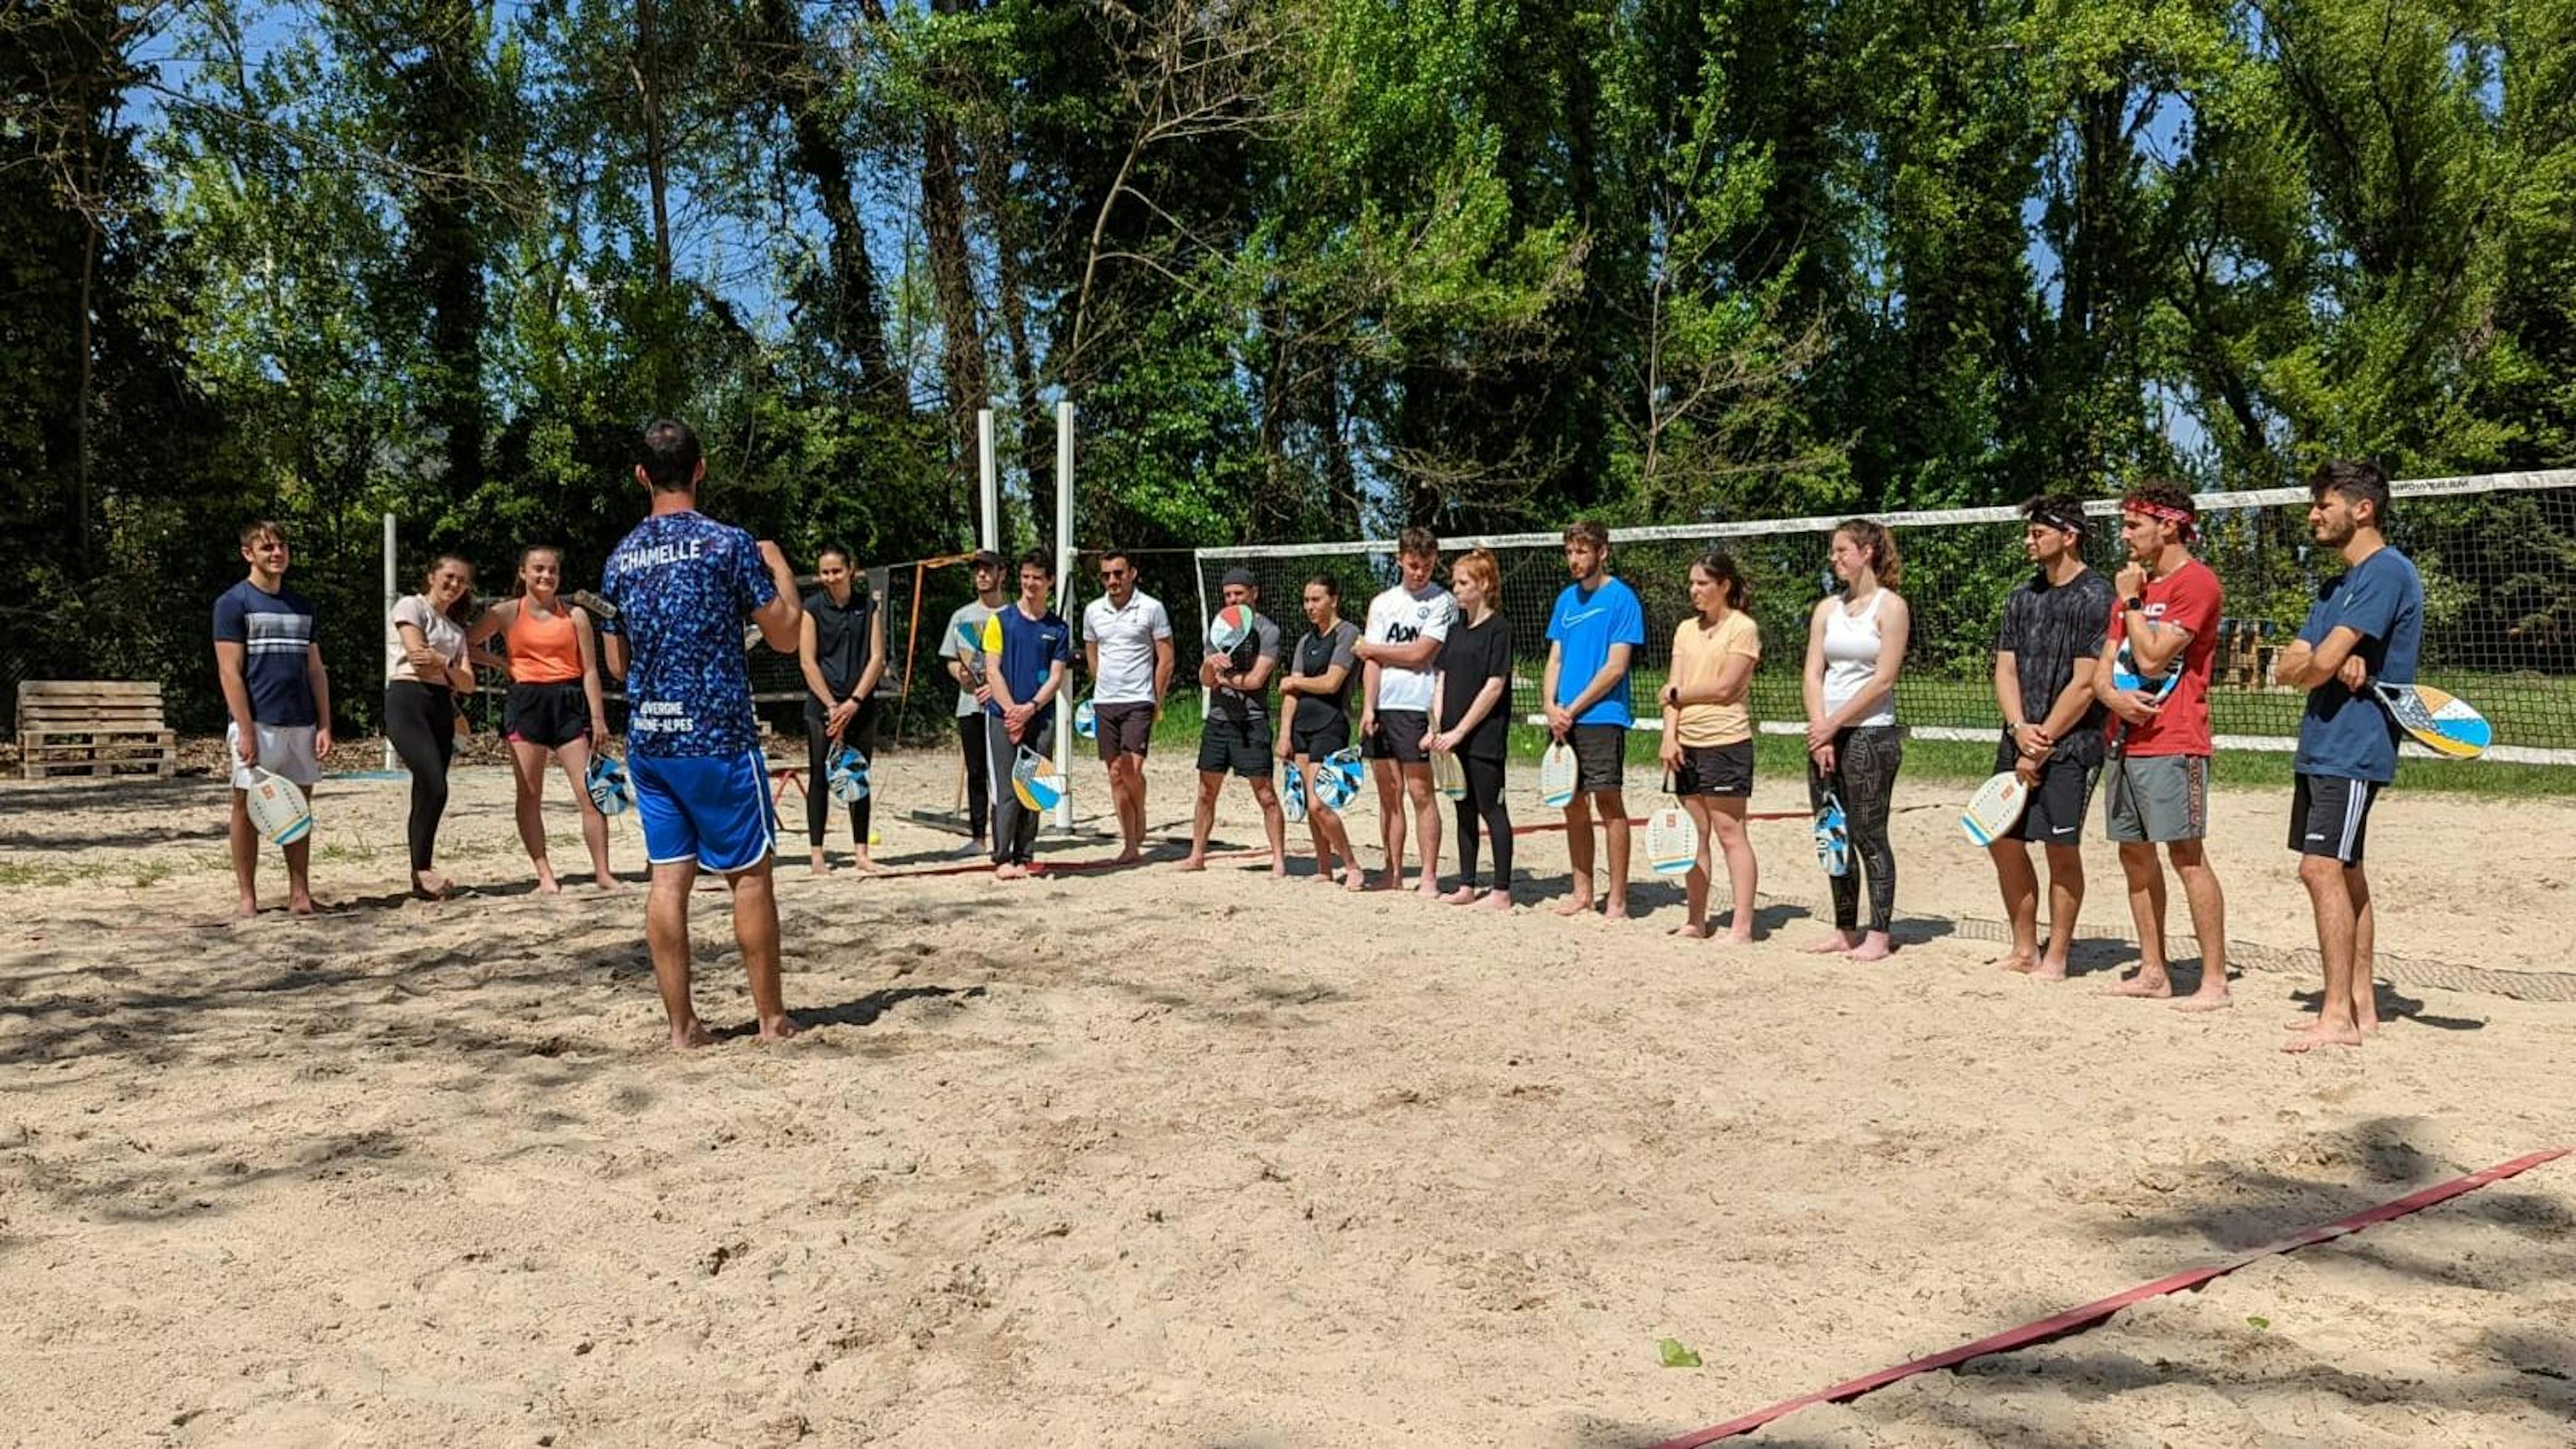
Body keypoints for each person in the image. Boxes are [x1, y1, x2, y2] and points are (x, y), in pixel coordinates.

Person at [596, 419, 804, 1049]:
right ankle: (770, 1019)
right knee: (749, 876)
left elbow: (617, 665)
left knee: (668, 879)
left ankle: (682, 1026)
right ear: (701, 468)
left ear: (641, 476)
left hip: (651, 738)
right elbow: (786, 633)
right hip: (716, 734)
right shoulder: (728, 544)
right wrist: (780, 568)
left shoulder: (620, 557)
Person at [2272, 460, 2422, 1053]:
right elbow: (2287, 669)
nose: (2314, 514)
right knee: (2346, 870)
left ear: (2363, 509)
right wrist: (2323, 665)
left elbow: (2318, 664)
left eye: (2324, 503)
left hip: (2354, 748)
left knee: (2320, 869)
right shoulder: (2336, 586)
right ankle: (2361, 1006)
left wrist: (2328, 664)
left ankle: (2335, 1016)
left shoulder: (2386, 572)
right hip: (2324, 744)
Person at [2096, 482, 2231, 1009]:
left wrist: (2132, 600)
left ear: (2169, 526)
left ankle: (2214, 981)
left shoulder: (2194, 585)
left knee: (2186, 855)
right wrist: (2112, 697)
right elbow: (2107, 665)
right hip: (2124, 740)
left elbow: (2152, 660)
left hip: (2175, 741)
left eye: (2134, 525)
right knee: (2134, 855)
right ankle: (2154, 970)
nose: (2125, 535)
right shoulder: (2134, 588)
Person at [1984, 496, 2114, 980]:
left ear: (2070, 535)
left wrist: (2043, 742)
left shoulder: (2097, 596)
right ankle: (2024, 948)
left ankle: (2058, 954)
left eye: (2038, 532)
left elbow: (2086, 682)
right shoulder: (2022, 597)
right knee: (2001, 837)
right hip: (2020, 735)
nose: (2029, 540)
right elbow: (2005, 668)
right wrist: (2020, 730)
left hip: (2073, 742)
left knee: (2061, 848)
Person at [467, 546, 616, 893]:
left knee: (593, 791)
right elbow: (466, 643)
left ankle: (604, 873)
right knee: (530, 794)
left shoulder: (576, 616)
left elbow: (591, 669)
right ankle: (545, 873)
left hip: (569, 702)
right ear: (523, 573)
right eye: (538, 569)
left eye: (552, 570)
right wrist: (503, 665)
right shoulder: (505, 612)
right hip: (526, 701)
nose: (546, 576)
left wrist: (598, 717)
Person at [1800, 519, 1911, 961]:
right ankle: (1845, 928)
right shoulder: (1827, 609)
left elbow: (1883, 680)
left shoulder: (1891, 607)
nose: (1835, 558)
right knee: (1832, 831)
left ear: (1867, 552)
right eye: (1833, 551)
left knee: (1869, 834)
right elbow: (1812, 672)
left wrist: (1835, 723)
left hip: (1871, 733)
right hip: (1827, 733)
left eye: (1842, 550)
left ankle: (1879, 933)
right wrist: (1821, 728)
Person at [213, 520, 331, 918]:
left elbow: (316, 669)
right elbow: (229, 671)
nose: (277, 554)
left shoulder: (302, 605)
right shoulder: (233, 603)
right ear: (249, 554)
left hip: (300, 721)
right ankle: (248, 896)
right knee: (245, 806)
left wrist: (325, 723)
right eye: (267, 548)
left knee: (298, 806)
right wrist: (244, 729)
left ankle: (300, 893)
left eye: (281, 547)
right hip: (257, 722)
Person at [1542, 521, 1648, 920]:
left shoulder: (1622, 599)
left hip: (1602, 715)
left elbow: (1616, 667)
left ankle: (1617, 898)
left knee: (1609, 802)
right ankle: (1582, 891)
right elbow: (1555, 658)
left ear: (1603, 552)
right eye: (1570, 552)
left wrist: (1574, 707)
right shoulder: (1566, 601)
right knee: (1571, 804)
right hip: (1563, 718)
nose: (1574, 559)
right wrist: (1551, 705)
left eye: (1582, 551)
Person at [1658, 552, 1762, 943]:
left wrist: (1676, 693)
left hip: (1727, 741)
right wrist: (1670, 735)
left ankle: (1742, 927)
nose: (1695, 590)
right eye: (1692, 583)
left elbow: (1725, 688)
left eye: (1703, 583)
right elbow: (1672, 689)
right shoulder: (1686, 629)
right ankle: (1696, 921)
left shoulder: (1743, 628)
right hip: (1688, 743)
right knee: (1695, 834)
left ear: (1725, 586)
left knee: (1730, 832)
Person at [1353, 527, 1454, 895]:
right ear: (1400, 560)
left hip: (1416, 705)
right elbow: (1370, 662)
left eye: (1426, 566)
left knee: (1421, 792)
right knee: (1388, 793)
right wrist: (1368, 707)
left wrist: (1373, 650)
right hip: (1383, 705)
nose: (1419, 573)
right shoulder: (1382, 603)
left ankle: (1428, 875)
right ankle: (1392, 871)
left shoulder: (1442, 601)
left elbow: (1419, 654)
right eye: (1413, 565)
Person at [384, 554, 480, 900]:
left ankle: (420, 871)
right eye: (449, 577)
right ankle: (422, 870)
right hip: (407, 699)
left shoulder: (455, 630)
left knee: (426, 792)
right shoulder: (411, 606)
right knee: (434, 785)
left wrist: (444, 664)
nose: (454, 585)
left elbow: (468, 684)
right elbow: (417, 657)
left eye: (462, 580)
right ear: (431, 576)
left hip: (441, 706)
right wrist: (450, 666)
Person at [1183, 568, 1289, 873]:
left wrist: (1223, 677)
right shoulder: (1218, 629)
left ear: (1254, 594)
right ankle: (1197, 855)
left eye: (1239, 594)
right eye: (1228, 594)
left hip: (1252, 722)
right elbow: (1206, 680)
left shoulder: (1267, 631)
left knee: (1265, 793)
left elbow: (1256, 680)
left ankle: (1279, 860)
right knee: (1205, 791)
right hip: (1218, 721)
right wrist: (1210, 666)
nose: (1232, 600)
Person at [1428, 549, 1514, 910]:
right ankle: (1466, 883)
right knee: (1462, 808)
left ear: (1484, 585)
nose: (1456, 589)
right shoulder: (1455, 630)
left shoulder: (1499, 629)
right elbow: (1442, 681)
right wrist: (1434, 727)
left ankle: (1501, 890)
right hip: (1450, 735)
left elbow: (1494, 686)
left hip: (1483, 735)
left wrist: (1461, 730)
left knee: (1491, 808)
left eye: (1463, 583)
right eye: (1455, 583)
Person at [796, 545, 886, 875]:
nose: (831, 578)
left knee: (857, 775)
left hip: (860, 703)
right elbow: (807, 661)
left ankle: (861, 853)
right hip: (823, 704)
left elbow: (877, 658)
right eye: (825, 572)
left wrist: (854, 702)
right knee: (820, 774)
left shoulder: (868, 607)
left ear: (851, 570)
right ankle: (817, 854)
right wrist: (833, 706)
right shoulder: (811, 609)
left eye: (836, 571)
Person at [985, 548, 1073, 880]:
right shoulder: (1000, 620)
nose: (1030, 584)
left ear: (1050, 581)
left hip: (1040, 715)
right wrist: (1011, 712)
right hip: (1002, 715)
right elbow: (993, 670)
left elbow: (1055, 676)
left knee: (1034, 786)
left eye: (1037, 578)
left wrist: (1031, 709)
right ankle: (1002, 856)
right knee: (1007, 789)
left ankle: (1026, 853)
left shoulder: (1058, 628)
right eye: (1025, 577)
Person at [1081, 549, 1173, 863]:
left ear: (1132, 573)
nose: (1112, 580)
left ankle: (1140, 808)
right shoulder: (1093, 611)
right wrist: (1100, 685)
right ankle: (1130, 843)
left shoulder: (1152, 608)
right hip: (1106, 701)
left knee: (1132, 769)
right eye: (1106, 575)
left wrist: (1157, 699)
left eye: (1118, 574)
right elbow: (1092, 652)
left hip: (1139, 700)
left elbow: (1166, 658)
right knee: (1115, 773)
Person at [1276, 575, 1366, 890]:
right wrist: (1284, 733)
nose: (1310, 607)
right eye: (1306, 600)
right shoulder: (1305, 641)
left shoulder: (1348, 633)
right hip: (1302, 726)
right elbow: (1290, 693)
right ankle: (1324, 866)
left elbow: (1331, 683)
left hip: (1330, 723)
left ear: (1334, 600)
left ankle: (1352, 865)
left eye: (1316, 600)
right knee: (1305, 803)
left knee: (1319, 803)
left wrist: (1295, 681)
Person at [938, 550, 1008, 855]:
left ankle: (1007, 836)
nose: (981, 575)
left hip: (1004, 707)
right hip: (970, 706)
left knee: (1004, 773)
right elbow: (951, 659)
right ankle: (978, 837)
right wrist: (961, 676)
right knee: (977, 771)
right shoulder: (962, 617)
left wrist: (997, 690)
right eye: (977, 570)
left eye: (987, 570)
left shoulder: (1011, 616)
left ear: (1001, 574)